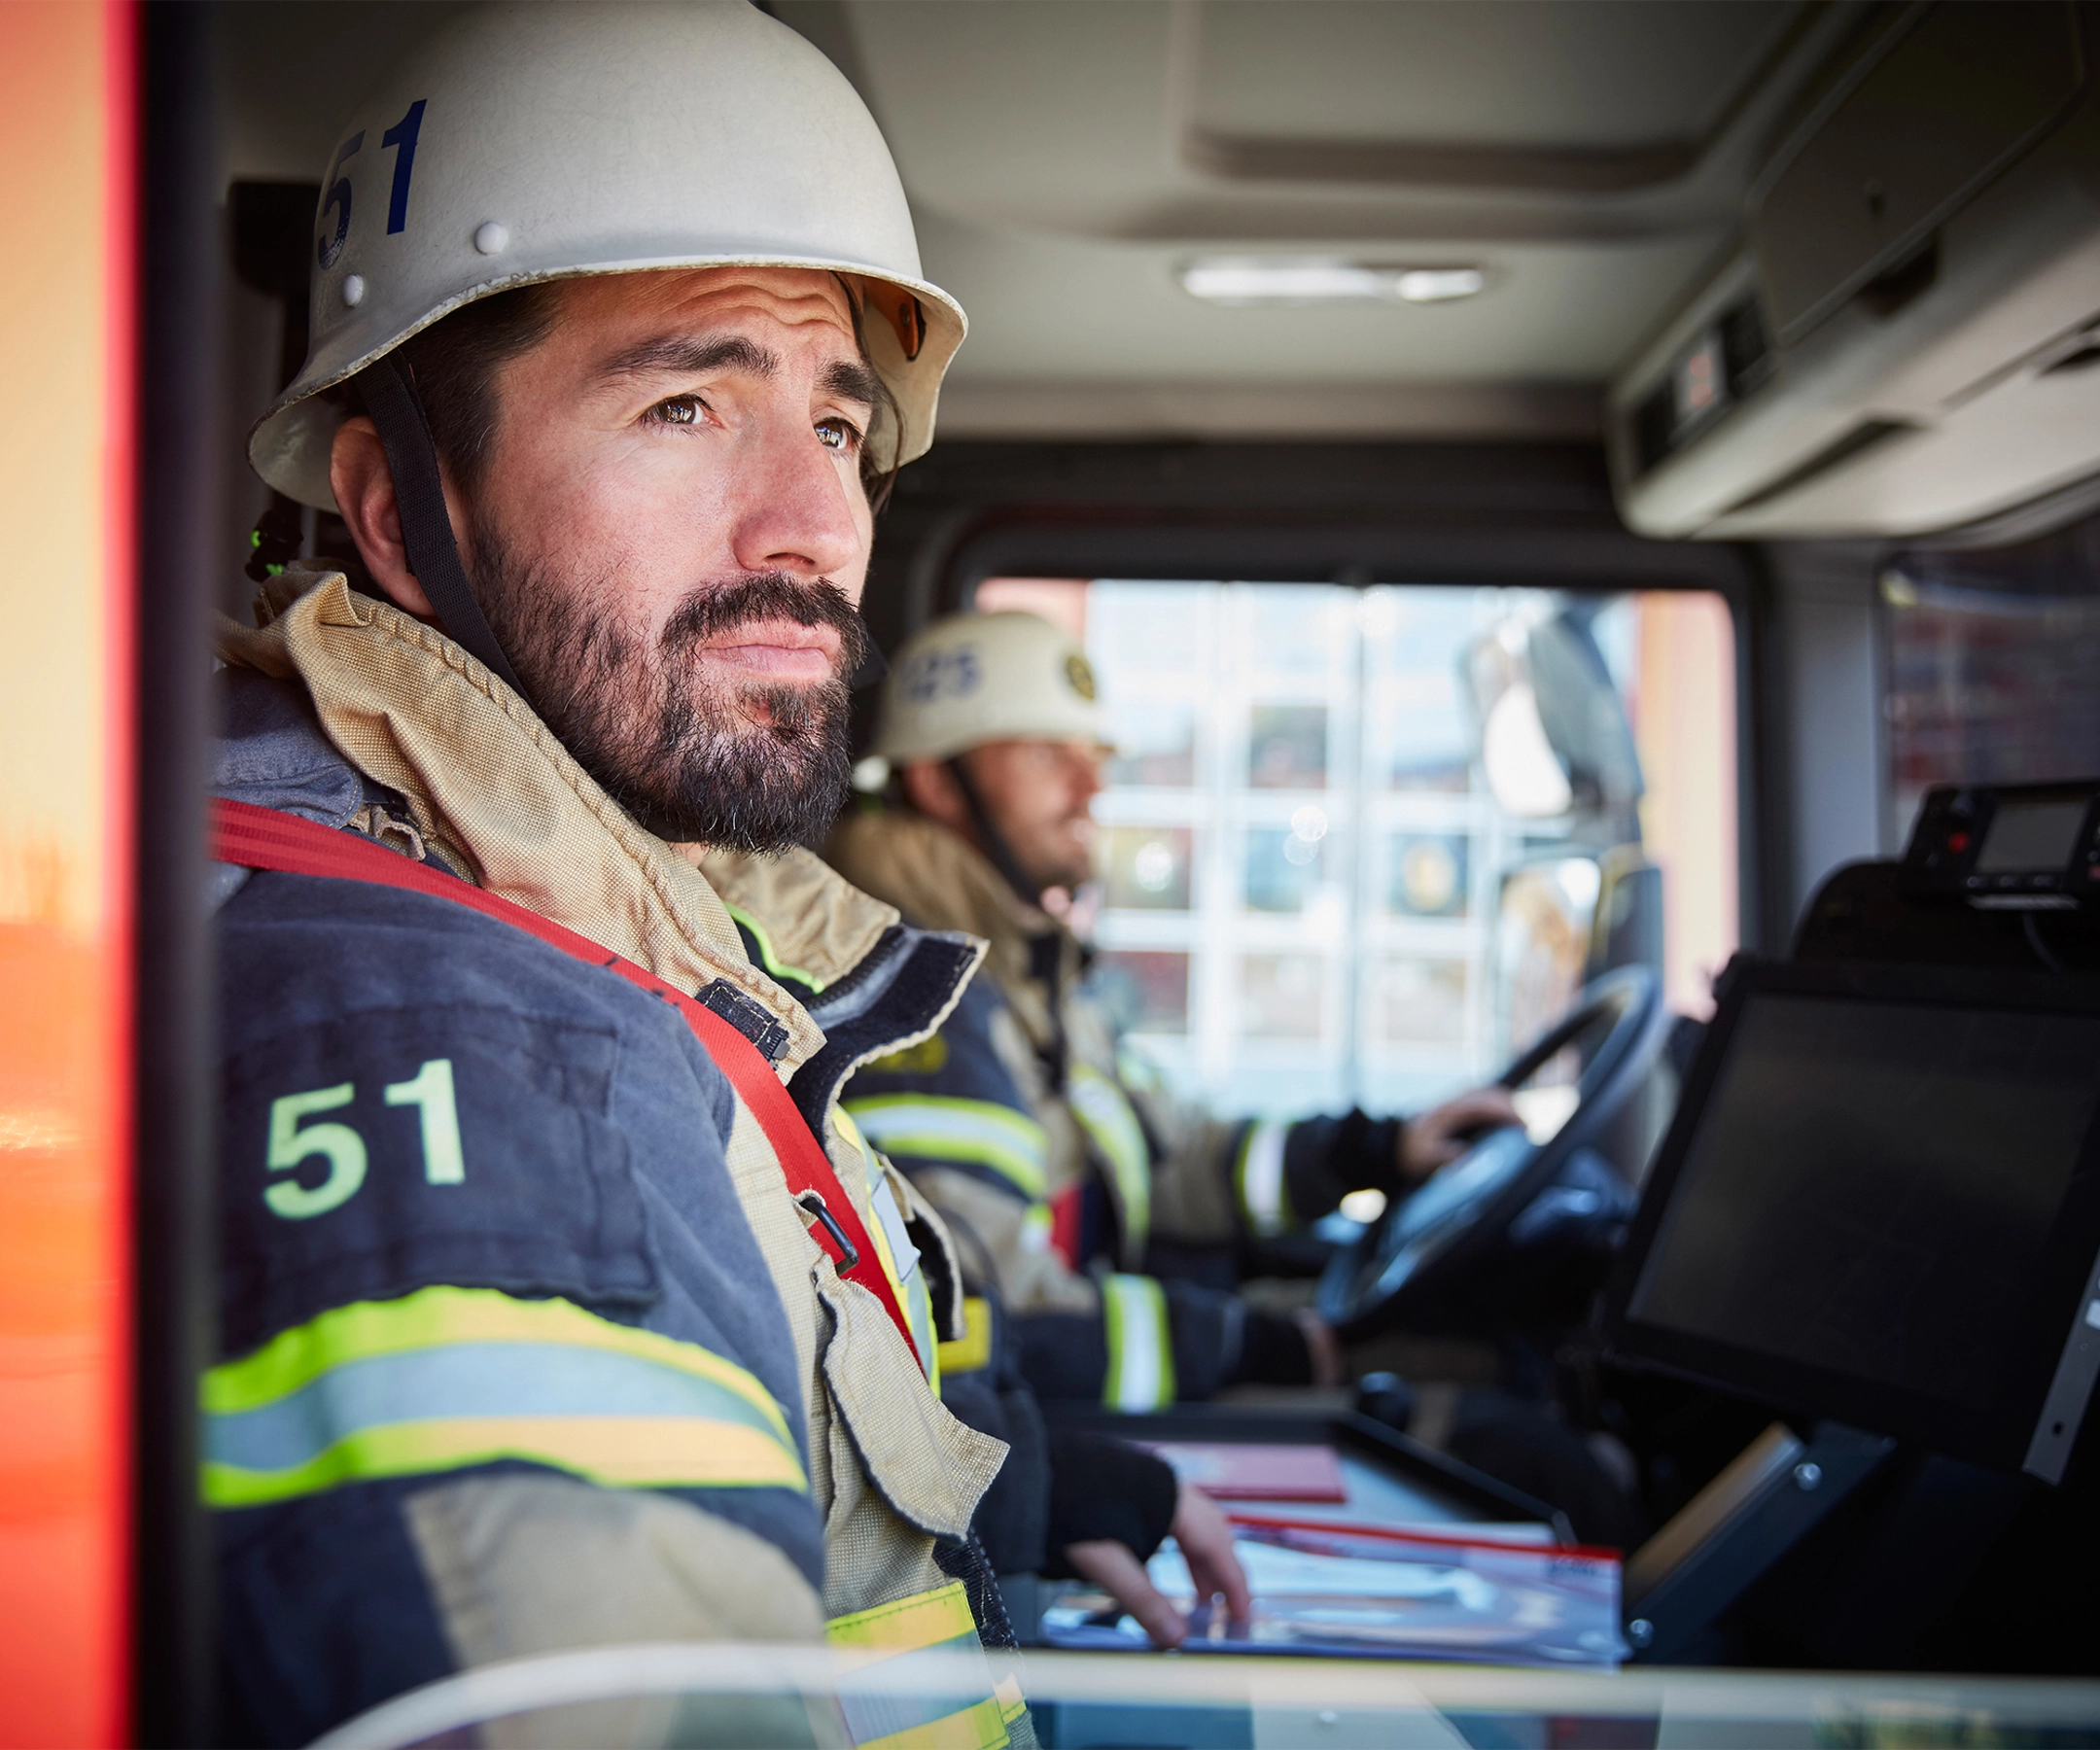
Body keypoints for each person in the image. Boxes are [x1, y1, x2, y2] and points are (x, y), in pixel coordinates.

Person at [207, 11, 1240, 1744]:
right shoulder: (488, 1043)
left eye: (838, 430)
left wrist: (1016, 1489)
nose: (812, 525)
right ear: (395, 512)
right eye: (684, 403)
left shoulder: (653, 944)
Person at [828, 611, 1523, 1410]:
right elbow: (989, 1309)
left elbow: (1166, 1156)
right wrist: (1250, 1347)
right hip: (1047, 1421)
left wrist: (1374, 1151)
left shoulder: (1021, 968)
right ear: (937, 783)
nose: (1093, 785)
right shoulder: (920, 1002)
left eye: (1095, 758)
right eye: (1050, 755)